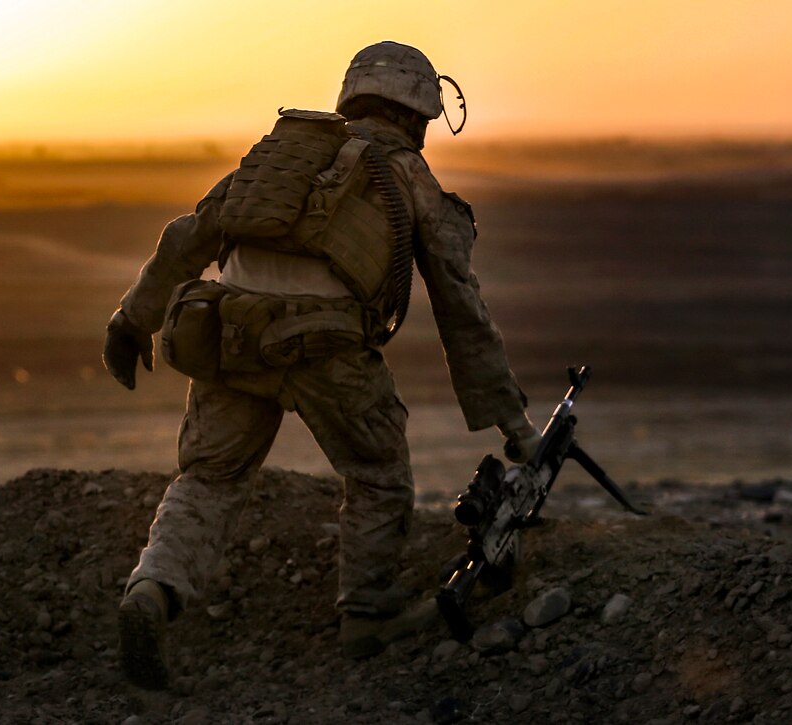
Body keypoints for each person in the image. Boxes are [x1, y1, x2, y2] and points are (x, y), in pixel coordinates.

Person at [102, 41, 541, 689]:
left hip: (231, 329)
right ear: (418, 115)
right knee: (376, 471)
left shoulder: (284, 155)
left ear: (352, 96)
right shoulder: (406, 174)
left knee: (209, 479)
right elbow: (461, 307)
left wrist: (132, 319)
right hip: (325, 347)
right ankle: (366, 614)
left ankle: (154, 590)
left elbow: (187, 234)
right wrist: (513, 422)